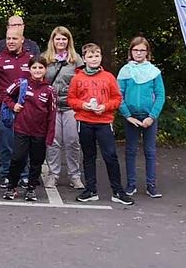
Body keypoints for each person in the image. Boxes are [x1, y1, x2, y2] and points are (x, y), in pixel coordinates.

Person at [68, 43, 133, 205]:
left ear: (101, 57)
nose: (94, 59)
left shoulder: (109, 77)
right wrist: (84, 105)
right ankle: (91, 190)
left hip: (104, 122)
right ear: (84, 59)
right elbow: (71, 99)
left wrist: (105, 107)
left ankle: (117, 191)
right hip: (84, 122)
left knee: (110, 156)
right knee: (89, 156)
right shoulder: (77, 78)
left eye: (96, 55)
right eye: (90, 56)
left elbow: (117, 98)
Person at [0, 28, 35, 188]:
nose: (11, 41)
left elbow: (39, 82)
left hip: (27, 109)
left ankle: (24, 174)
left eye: (14, 38)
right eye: (8, 38)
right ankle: (6, 174)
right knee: (6, 144)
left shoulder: (31, 59)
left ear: (23, 40)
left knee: (25, 143)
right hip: (5, 108)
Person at [1, 56, 57, 201]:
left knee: (36, 161)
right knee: (17, 158)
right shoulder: (21, 83)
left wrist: (50, 135)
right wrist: (14, 106)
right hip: (22, 129)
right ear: (29, 69)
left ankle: (31, 188)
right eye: (34, 68)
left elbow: (52, 115)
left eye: (40, 68)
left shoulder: (50, 90)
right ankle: (11, 187)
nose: (37, 70)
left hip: (40, 132)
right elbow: (5, 94)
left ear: (45, 70)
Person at [118, 36, 165, 198]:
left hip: (149, 117)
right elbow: (119, 95)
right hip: (131, 117)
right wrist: (127, 115)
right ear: (131, 52)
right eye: (135, 50)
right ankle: (131, 184)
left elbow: (160, 95)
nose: (138, 53)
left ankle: (151, 185)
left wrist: (152, 116)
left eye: (142, 50)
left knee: (150, 151)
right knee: (130, 151)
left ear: (147, 52)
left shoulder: (154, 72)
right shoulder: (125, 71)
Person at [42, 26, 85, 189]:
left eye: (64, 39)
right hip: (51, 107)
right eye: (58, 38)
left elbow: (83, 83)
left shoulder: (76, 60)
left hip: (70, 106)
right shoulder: (45, 58)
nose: (61, 42)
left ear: (69, 41)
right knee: (53, 142)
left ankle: (75, 175)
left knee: (72, 141)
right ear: (52, 40)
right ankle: (53, 175)